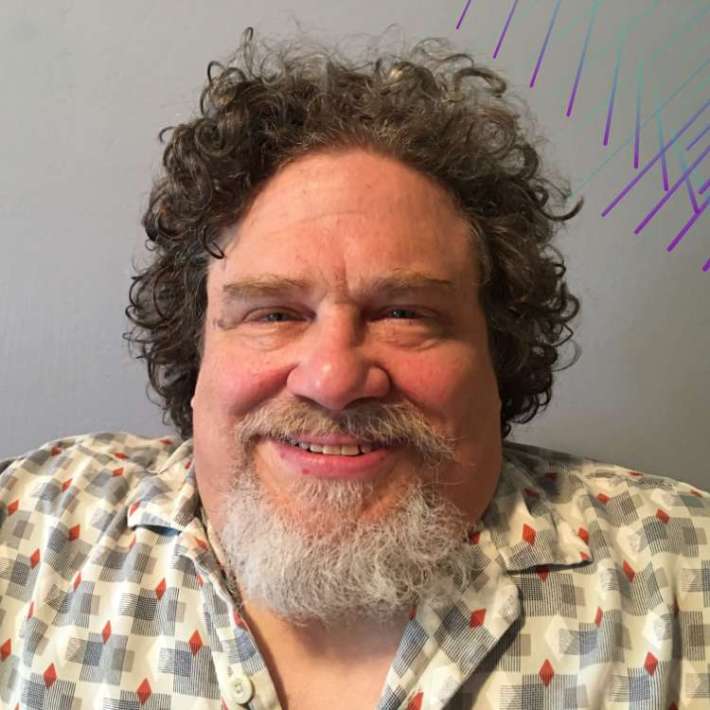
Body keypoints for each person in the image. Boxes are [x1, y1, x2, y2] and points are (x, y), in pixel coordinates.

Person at [1, 28, 708, 710]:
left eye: (404, 312)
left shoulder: (683, 574)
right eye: (274, 313)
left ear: (500, 348)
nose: (334, 379)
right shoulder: (30, 527)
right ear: (196, 349)